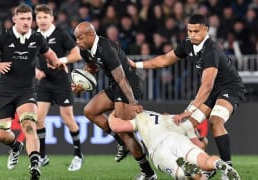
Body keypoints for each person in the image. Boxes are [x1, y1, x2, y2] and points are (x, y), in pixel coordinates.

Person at [129, 14, 246, 179]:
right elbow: (165, 60)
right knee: (186, 126)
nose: (192, 34)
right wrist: (137, 65)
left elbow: (207, 86)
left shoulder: (211, 50)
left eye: (196, 31)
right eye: (190, 30)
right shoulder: (188, 44)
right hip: (211, 92)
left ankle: (228, 168)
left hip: (230, 89)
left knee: (215, 121)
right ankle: (206, 164)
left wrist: (190, 110)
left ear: (206, 30)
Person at [0, 4, 66, 180]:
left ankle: (35, 166)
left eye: (29, 19)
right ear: (15, 19)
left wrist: (58, 63)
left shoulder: (37, 38)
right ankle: (15, 146)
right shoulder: (3, 38)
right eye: (23, 19)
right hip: (5, 91)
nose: (27, 22)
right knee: (1, 135)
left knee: (28, 125)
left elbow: (50, 55)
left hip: (27, 90)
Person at [73, 21, 157, 180]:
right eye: (76, 38)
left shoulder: (106, 50)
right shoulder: (84, 49)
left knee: (124, 131)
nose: (77, 41)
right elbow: (91, 68)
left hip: (129, 85)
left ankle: (148, 173)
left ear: (91, 35)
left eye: (80, 38)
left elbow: (122, 78)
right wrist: (81, 84)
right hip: (115, 86)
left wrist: (132, 103)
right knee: (89, 111)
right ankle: (122, 142)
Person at [108, 110, 241, 180]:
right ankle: (220, 164)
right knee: (205, 160)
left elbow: (116, 127)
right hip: (178, 139)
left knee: (183, 175)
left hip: (159, 148)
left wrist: (113, 113)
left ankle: (190, 172)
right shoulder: (178, 120)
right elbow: (200, 145)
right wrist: (203, 142)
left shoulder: (142, 118)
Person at [34, 4, 83, 171]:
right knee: (38, 119)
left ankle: (78, 155)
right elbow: (27, 58)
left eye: (45, 17)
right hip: (45, 83)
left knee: (67, 119)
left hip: (61, 81)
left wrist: (62, 61)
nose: (42, 20)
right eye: (39, 17)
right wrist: (35, 70)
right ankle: (42, 157)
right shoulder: (34, 36)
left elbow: (76, 53)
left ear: (52, 18)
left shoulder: (61, 34)